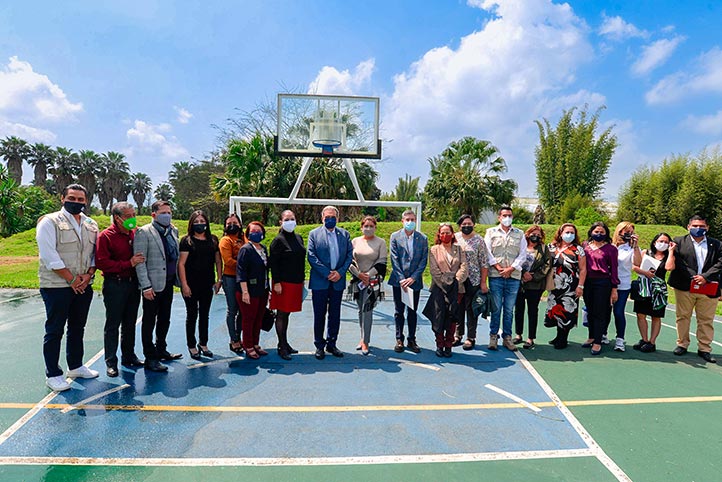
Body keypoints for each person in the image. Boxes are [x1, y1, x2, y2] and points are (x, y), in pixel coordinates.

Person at [36, 184, 99, 391]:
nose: (77, 202)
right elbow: (49, 255)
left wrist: (88, 275)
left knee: (77, 327)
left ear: (86, 202)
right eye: (72, 198)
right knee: (55, 330)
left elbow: (93, 255)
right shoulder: (50, 221)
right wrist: (72, 280)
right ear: (62, 198)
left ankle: (76, 365)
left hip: (83, 285)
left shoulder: (91, 224)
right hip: (57, 286)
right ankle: (53, 374)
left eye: (81, 199)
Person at [95, 201, 146, 377]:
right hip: (114, 284)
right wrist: (128, 263)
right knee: (113, 324)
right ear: (117, 218)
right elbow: (102, 263)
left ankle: (129, 356)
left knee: (130, 322)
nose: (132, 218)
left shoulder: (135, 233)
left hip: (133, 284)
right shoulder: (106, 236)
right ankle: (111, 362)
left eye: (134, 215)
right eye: (128, 216)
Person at [134, 200, 183, 372]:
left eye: (169, 212)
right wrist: (145, 286)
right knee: (149, 321)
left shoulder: (173, 231)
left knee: (165, 319)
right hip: (152, 286)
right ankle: (150, 357)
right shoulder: (144, 232)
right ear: (154, 214)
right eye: (163, 212)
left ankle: (161, 349)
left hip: (168, 283)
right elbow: (140, 263)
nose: (167, 215)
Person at [667, 215, 722, 363]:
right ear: (688, 227)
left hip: (708, 287)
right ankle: (682, 344)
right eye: (695, 226)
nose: (699, 229)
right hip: (684, 286)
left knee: (706, 319)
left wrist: (705, 277)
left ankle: (704, 348)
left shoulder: (716, 244)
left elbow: (720, 263)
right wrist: (694, 276)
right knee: (683, 316)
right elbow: (678, 262)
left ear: (707, 228)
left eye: (702, 226)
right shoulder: (678, 241)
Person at [307, 206, 353, 360]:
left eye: (333, 217)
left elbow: (349, 255)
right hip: (320, 282)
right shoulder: (314, 234)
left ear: (337, 218)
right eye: (327, 217)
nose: (330, 219)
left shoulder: (345, 235)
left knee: (335, 314)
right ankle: (319, 345)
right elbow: (311, 256)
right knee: (319, 314)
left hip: (338, 282)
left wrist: (340, 272)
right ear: (322, 218)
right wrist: (327, 273)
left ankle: (332, 344)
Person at [178, 210, 222, 360]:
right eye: (196, 222)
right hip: (191, 284)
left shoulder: (213, 240)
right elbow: (181, 264)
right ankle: (191, 345)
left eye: (202, 221)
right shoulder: (186, 241)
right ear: (191, 224)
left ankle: (203, 344)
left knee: (205, 315)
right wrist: (184, 284)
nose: (199, 224)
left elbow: (218, 261)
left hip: (207, 284)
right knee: (192, 315)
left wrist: (219, 279)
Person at [484, 206, 527, 351]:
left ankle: (507, 338)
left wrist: (511, 268)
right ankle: (493, 336)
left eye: (509, 215)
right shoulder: (490, 232)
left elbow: (523, 254)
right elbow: (487, 252)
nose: (507, 218)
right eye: (504, 215)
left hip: (513, 276)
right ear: (499, 217)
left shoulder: (520, 234)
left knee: (509, 309)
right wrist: (498, 267)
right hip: (496, 275)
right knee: (496, 308)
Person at [424, 223, 468, 357]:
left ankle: (449, 345)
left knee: (452, 317)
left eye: (448, 232)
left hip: (457, 289)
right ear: (439, 235)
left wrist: (455, 282)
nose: (445, 235)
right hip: (439, 288)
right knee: (439, 316)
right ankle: (439, 344)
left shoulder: (459, 249)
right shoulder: (434, 250)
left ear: (453, 234)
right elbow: (434, 270)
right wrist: (445, 284)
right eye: (442, 233)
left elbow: (464, 267)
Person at [388, 209, 428, 354]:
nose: (410, 222)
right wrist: (402, 278)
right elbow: (394, 259)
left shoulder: (422, 238)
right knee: (399, 311)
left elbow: (423, 260)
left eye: (412, 219)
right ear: (402, 221)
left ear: (416, 221)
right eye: (407, 220)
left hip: (414, 282)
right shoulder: (395, 237)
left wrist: (413, 278)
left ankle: (412, 339)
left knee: (412, 311)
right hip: (399, 281)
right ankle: (399, 339)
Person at [269, 210, 306, 360]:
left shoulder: (298, 237)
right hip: (283, 283)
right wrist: (276, 282)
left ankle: (285, 343)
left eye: (292, 218)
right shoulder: (278, 240)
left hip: (296, 282)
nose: (290, 221)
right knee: (281, 314)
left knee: (287, 313)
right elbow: (274, 264)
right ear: (281, 222)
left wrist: (302, 279)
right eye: (287, 219)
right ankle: (281, 346)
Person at [349, 216, 387, 355]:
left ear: (375, 227)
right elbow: (350, 261)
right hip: (357, 280)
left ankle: (366, 341)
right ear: (361, 227)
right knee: (360, 310)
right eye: (366, 226)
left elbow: (382, 262)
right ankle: (362, 337)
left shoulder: (381, 242)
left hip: (372, 281)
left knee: (368, 310)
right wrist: (359, 275)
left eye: (371, 226)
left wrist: (367, 275)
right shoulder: (355, 241)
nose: (368, 228)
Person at [544, 223, 586, 349]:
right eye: (567, 232)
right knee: (556, 310)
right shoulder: (551, 247)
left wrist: (581, 286)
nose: (569, 235)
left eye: (572, 232)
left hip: (570, 285)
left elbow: (583, 269)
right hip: (555, 285)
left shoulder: (578, 249)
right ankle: (558, 336)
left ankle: (563, 339)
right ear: (560, 233)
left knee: (567, 312)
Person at [632, 233, 676, 353]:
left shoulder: (669, 256)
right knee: (641, 314)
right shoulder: (646, 252)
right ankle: (644, 339)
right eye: (661, 241)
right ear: (655, 241)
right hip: (643, 286)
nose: (663, 244)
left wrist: (671, 251)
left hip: (659, 289)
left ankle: (652, 342)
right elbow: (635, 265)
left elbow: (669, 268)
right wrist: (645, 273)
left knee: (656, 316)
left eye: (666, 242)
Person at [582, 222, 619, 355]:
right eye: (596, 231)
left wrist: (614, 288)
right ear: (591, 232)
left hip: (603, 283)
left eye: (602, 232)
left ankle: (598, 341)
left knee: (600, 312)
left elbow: (614, 269)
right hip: (587, 282)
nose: (599, 234)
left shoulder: (611, 249)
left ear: (606, 234)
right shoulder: (585, 246)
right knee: (590, 311)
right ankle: (591, 336)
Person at [453, 214, 489, 350]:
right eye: (464, 224)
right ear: (459, 226)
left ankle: (471, 337)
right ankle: (458, 335)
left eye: (469, 224)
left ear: (474, 224)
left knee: (472, 309)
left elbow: (484, 262)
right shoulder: (455, 238)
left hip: (473, 279)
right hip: (458, 279)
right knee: (458, 308)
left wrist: (483, 282)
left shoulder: (479, 240)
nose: (466, 226)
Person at [236, 221, 270, 359]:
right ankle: (248, 345)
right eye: (253, 231)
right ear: (248, 233)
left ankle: (255, 343)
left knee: (259, 318)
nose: (256, 233)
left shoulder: (263, 248)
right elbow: (241, 272)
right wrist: (245, 292)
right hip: (248, 291)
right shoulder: (245, 249)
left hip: (263, 289)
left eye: (259, 230)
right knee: (248, 319)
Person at [513, 225, 551, 349]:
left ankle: (531, 338)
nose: (536, 236)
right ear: (528, 234)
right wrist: (523, 273)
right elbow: (515, 260)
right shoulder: (521, 246)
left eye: (539, 235)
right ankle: (518, 335)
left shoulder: (544, 249)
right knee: (518, 310)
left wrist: (534, 277)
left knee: (532, 311)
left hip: (536, 285)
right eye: (533, 233)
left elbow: (547, 265)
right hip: (519, 282)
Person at [608, 222, 642, 352]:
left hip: (623, 285)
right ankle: (602, 334)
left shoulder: (631, 248)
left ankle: (620, 339)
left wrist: (635, 246)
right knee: (605, 312)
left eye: (631, 232)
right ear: (619, 231)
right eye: (625, 231)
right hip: (607, 284)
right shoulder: (610, 246)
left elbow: (637, 263)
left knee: (618, 312)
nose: (628, 234)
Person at [219, 213, 245, 354]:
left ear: (240, 224)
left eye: (234, 222)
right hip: (230, 279)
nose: (232, 225)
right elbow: (228, 261)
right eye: (229, 223)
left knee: (242, 310)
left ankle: (240, 336)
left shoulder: (244, 238)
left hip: (244, 279)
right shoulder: (225, 240)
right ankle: (234, 339)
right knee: (232, 310)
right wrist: (246, 265)